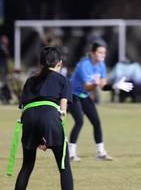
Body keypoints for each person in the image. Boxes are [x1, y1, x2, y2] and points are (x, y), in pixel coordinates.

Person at [14, 46, 73, 190]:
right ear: (59, 63)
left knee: (27, 165)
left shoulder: (30, 80)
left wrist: (38, 136)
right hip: (50, 117)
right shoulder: (63, 80)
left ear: (41, 63)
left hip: (28, 119)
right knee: (63, 166)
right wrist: (52, 132)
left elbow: (24, 107)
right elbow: (63, 110)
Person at [68, 40, 133, 161]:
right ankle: (71, 153)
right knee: (79, 121)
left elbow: (102, 86)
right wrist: (96, 84)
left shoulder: (101, 65)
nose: (103, 55)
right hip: (72, 95)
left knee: (96, 122)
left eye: (104, 52)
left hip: (83, 95)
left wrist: (114, 86)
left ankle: (100, 152)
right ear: (92, 53)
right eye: (100, 52)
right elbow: (87, 86)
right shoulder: (84, 65)